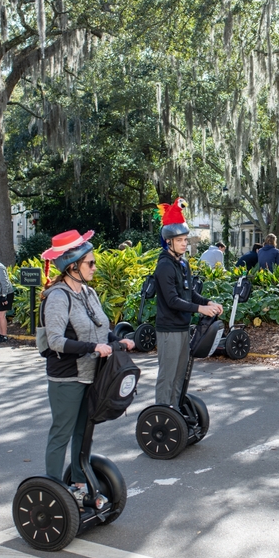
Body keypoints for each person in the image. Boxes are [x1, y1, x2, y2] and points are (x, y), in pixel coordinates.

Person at [40, 229, 135, 501]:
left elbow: (100, 328)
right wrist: (93, 347)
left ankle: (80, 486)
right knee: (62, 433)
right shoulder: (57, 297)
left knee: (83, 433)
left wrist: (119, 340)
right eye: (90, 263)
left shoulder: (88, 293)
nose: (95, 267)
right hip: (67, 378)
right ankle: (53, 490)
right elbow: (56, 341)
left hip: (92, 374)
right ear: (72, 267)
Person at [154, 201, 223, 408]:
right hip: (168, 330)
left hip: (182, 328)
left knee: (180, 375)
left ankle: (174, 412)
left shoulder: (182, 264)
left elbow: (189, 292)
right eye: (180, 240)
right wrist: (200, 309)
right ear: (169, 242)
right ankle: (162, 415)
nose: (184, 243)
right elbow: (173, 300)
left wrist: (207, 301)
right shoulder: (165, 266)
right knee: (168, 376)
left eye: (185, 239)